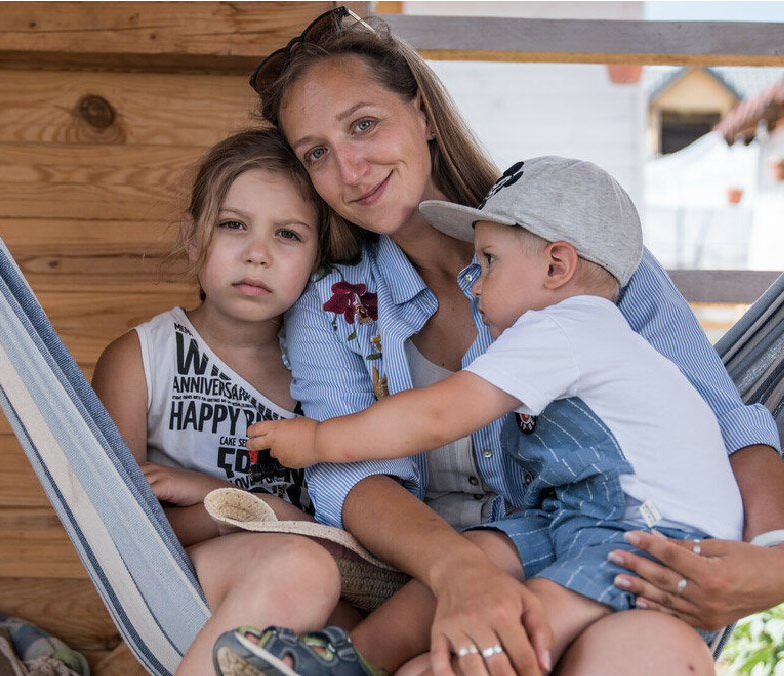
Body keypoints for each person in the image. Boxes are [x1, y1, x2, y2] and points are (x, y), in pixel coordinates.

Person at [220, 8, 784, 676]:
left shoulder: (587, 267)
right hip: (430, 578)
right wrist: (455, 573)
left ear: (421, 112)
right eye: (317, 153)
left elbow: (724, 417)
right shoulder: (334, 304)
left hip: (611, 561)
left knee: (648, 655)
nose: (351, 168)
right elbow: (354, 476)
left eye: (364, 124)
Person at [243, 155, 744, 675]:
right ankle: (351, 658)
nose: (473, 283)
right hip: (582, 517)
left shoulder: (564, 329)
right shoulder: (586, 334)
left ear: (556, 267)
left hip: (656, 538)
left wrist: (320, 440)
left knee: (507, 625)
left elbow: (440, 414)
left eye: (488, 261)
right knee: (482, 554)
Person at [90, 127, 362, 676]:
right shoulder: (141, 359)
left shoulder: (329, 375)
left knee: (363, 632)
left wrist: (219, 498)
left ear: (317, 258)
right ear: (194, 239)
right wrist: (228, 518)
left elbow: (339, 532)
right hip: (178, 578)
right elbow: (115, 534)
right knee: (301, 569)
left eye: (288, 234)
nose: (257, 254)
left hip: (310, 575)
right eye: (233, 225)